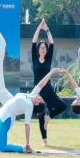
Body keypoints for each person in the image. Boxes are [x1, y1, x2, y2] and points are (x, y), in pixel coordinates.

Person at [31, 18, 67, 146]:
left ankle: (49, 117)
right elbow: (33, 41)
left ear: (46, 51)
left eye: (44, 48)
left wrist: (46, 30)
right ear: (38, 50)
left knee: (62, 106)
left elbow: (52, 43)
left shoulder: (48, 59)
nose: (43, 49)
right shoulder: (34, 58)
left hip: (48, 90)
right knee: (40, 114)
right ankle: (45, 141)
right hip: (38, 90)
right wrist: (39, 28)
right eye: (41, 48)